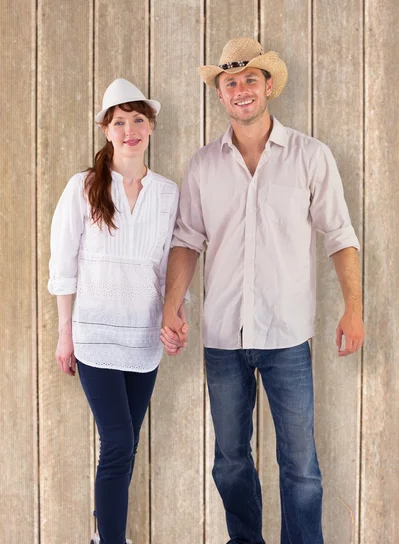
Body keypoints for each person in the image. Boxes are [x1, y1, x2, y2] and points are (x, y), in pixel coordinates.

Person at [160, 38, 364, 544]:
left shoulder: (310, 156)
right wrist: (172, 305)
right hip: (223, 338)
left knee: (300, 467)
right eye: (230, 82)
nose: (241, 89)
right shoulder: (203, 165)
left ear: (269, 86)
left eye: (251, 79)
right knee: (230, 462)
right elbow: (187, 240)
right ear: (221, 95)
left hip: (288, 336)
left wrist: (354, 309)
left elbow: (340, 235)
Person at [48, 78, 186, 544]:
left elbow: (170, 267)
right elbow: (63, 264)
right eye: (119, 121)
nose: (130, 130)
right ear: (106, 130)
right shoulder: (83, 187)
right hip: (94, 338)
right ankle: (111, 540)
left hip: (143, 340)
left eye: (138, 120)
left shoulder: (168, 193)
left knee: (127, 448)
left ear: (150, 128)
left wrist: (174, 318)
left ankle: (102, 532)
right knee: (118, 444)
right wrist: (64, 334)